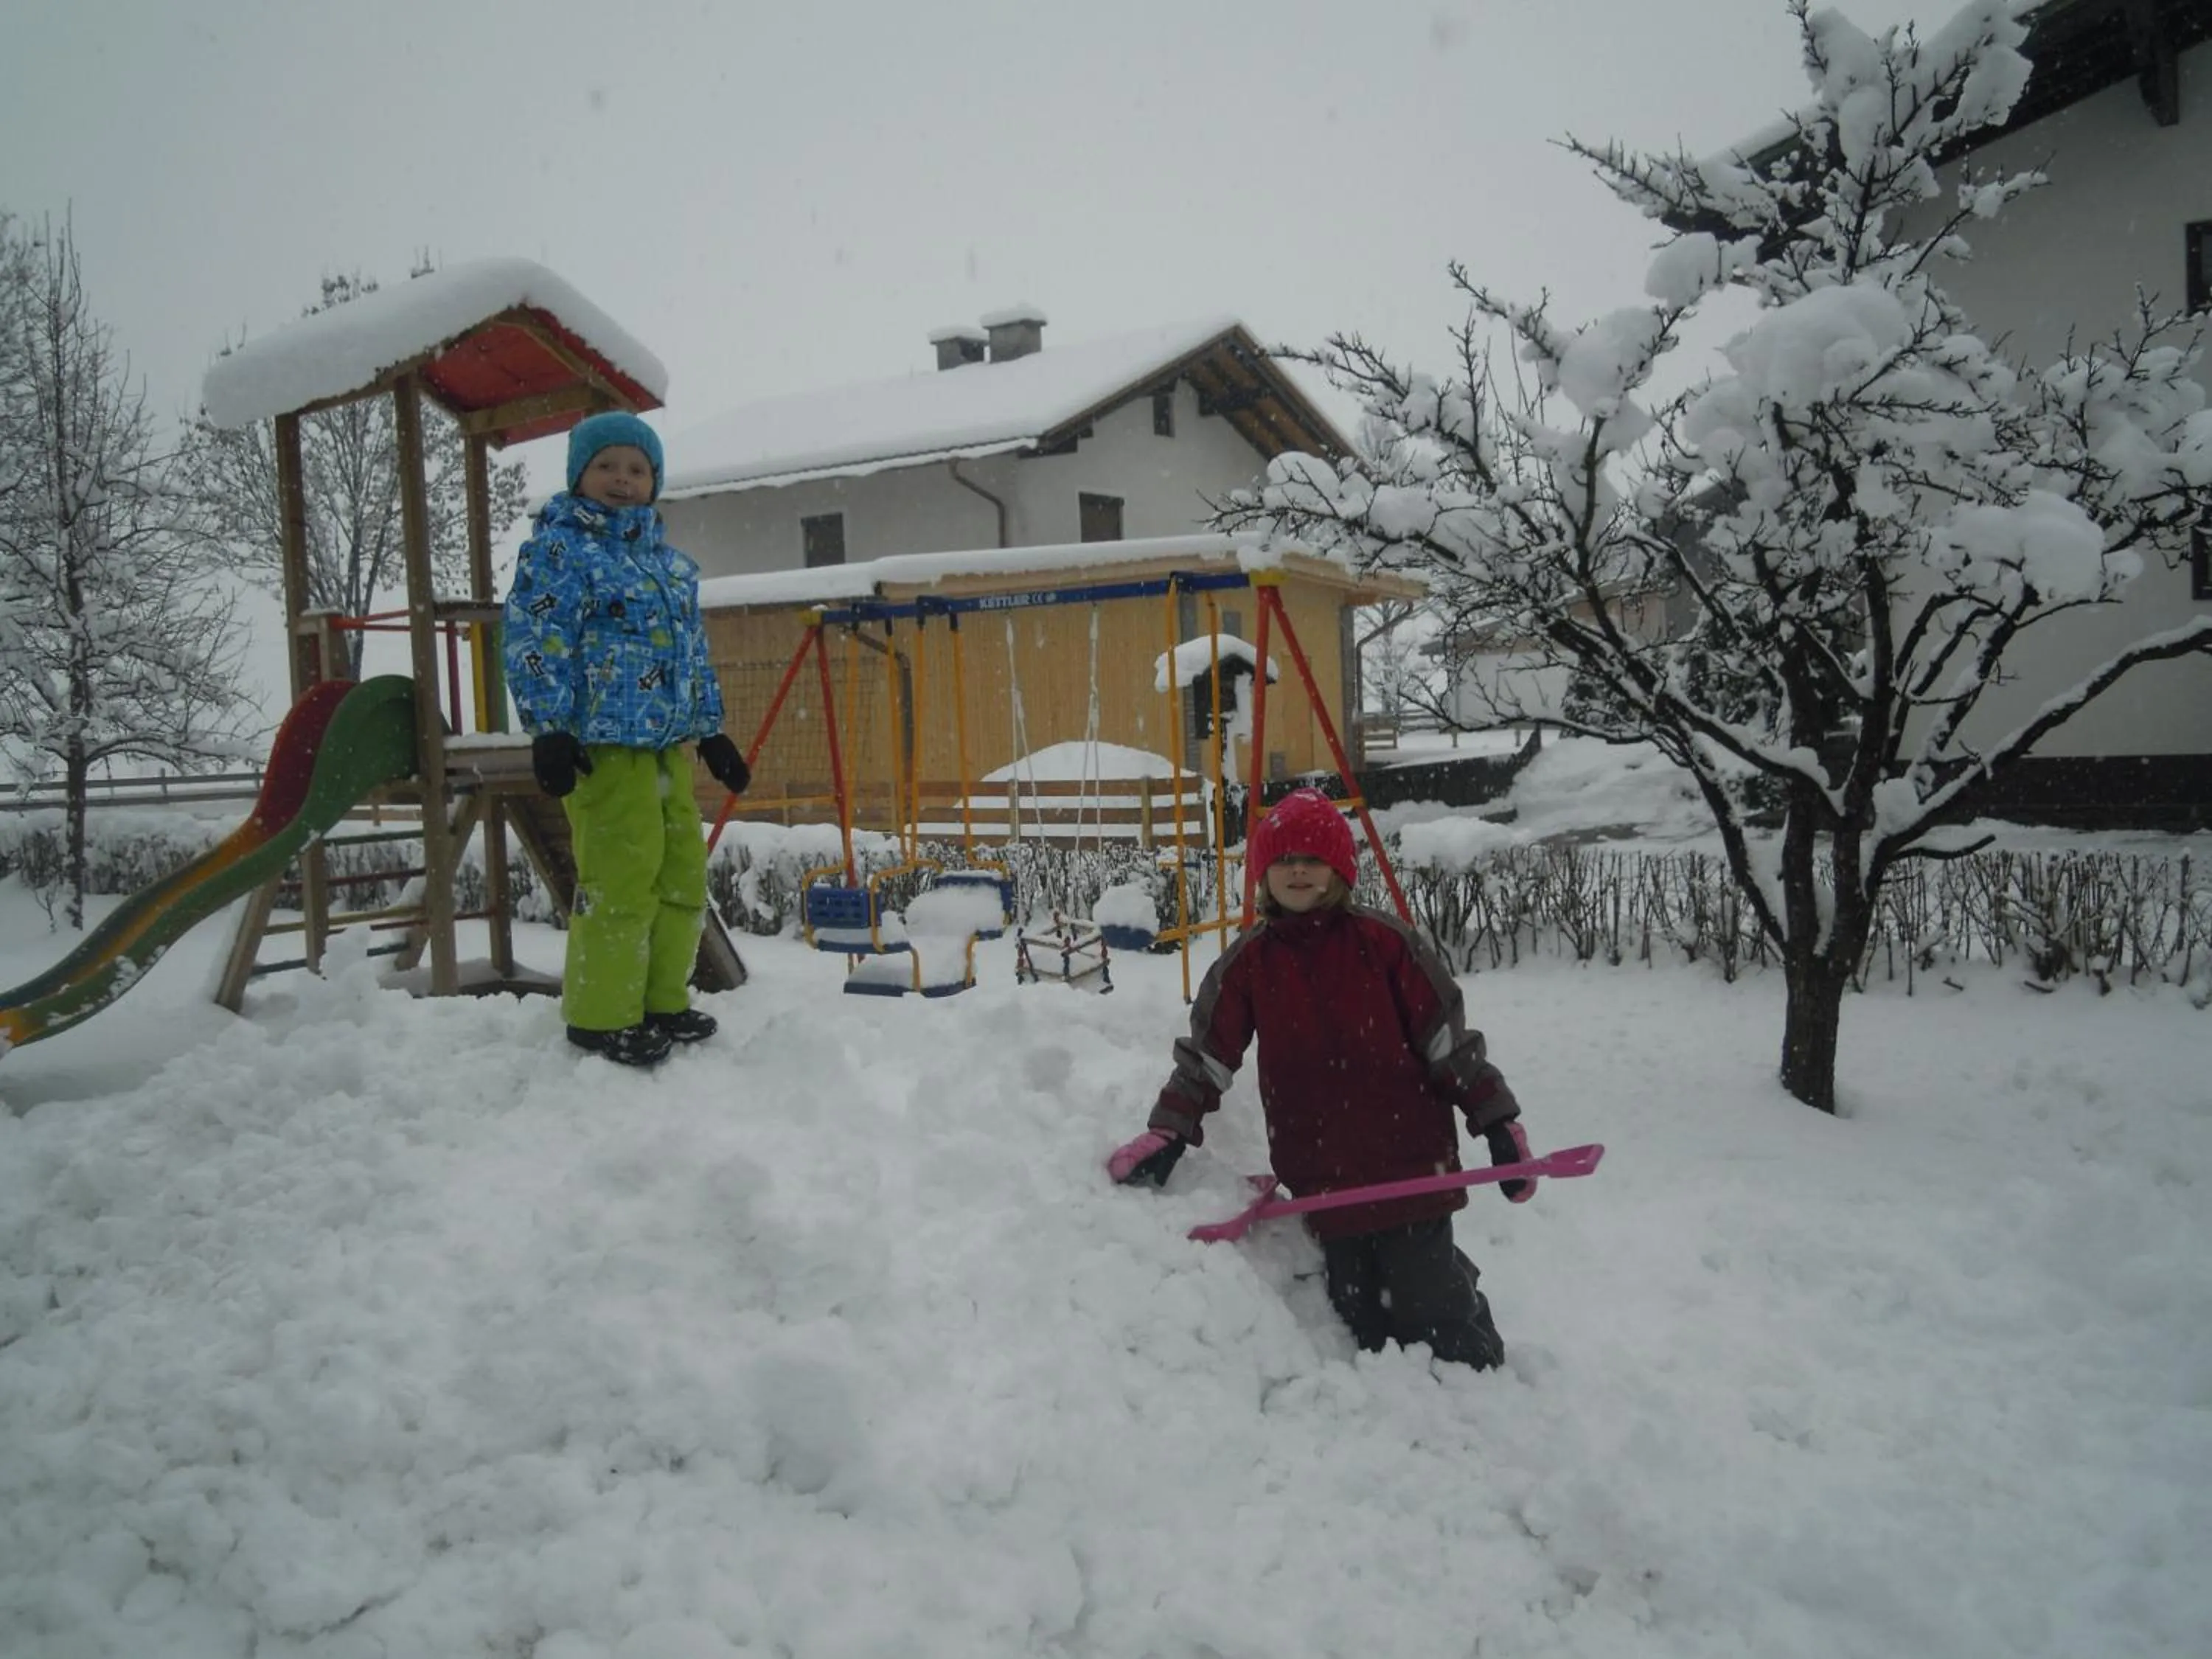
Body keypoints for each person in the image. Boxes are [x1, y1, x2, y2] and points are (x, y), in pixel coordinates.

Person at [1106, 788, 1535, 1368]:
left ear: (1339, 870)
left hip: (1410, 1164)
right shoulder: (1248, 965)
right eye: (1283, 860)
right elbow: (1208, 1058)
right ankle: (1390, 1405)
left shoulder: (1386, 946)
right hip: (1322, 1178)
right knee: (1358, 1315)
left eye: (1313, 859)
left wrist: (1497, 1119)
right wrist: (1170, 1130)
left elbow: (1449, 1045)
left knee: (1429, 1302)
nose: (1299, 871)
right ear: (1262, 876)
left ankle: (1482, 1382)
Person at [502, 411, 751, 1068]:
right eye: (607, 466)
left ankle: (661, 999)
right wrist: (549, 726)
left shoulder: (671, 569)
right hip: (602, 747)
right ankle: (601, 1015)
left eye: (637, 469)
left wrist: (712, 731)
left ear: (655, 481)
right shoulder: (560, 550)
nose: (622, 479)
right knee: (621, 878)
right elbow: (538, 638)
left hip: (666, 747)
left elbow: (692, 656)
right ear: (579, 475)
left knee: (681, 876)